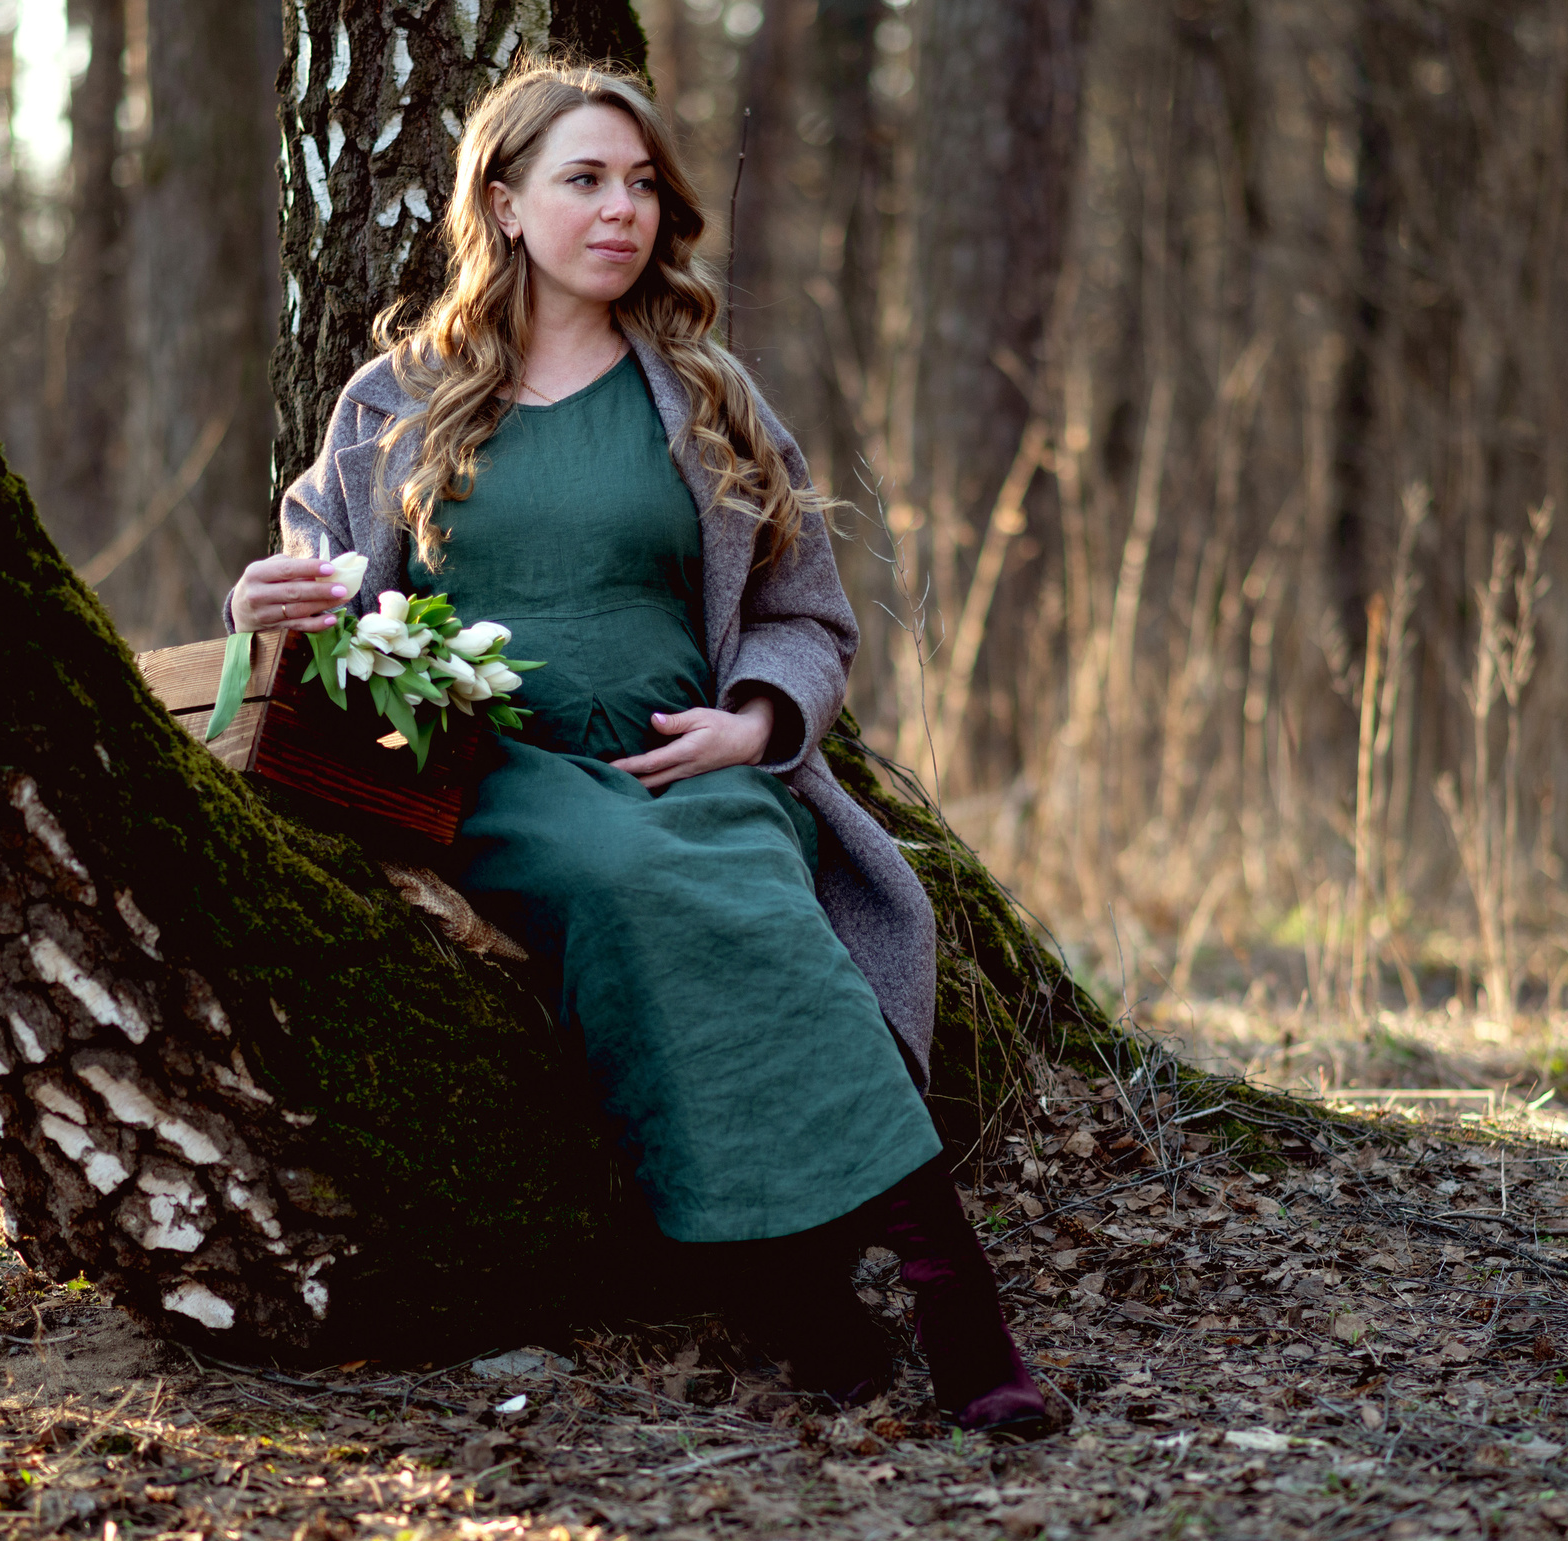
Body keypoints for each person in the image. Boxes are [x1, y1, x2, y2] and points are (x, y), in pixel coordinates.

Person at [226, 59, 1051, 1438]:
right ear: (503, 202)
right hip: (494, 774)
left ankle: (941, 1295)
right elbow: (320, 585)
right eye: (585, 181)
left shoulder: (703, 394)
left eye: (643, 184)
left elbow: (806, 613)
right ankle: (782, 1282)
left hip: (694, 759)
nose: (622, 210)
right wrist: (266, 602)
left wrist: (756, 721)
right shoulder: (398, 400)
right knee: (627, 879)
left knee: (764, 906)